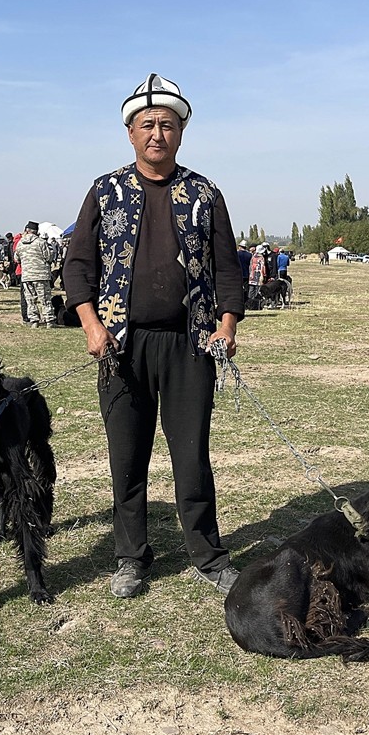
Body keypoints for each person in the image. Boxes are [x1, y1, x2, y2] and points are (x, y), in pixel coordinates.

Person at [63, 73, 243, 598]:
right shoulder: (106, 190)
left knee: (192, 457)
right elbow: (78, 266)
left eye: (167, 124)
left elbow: (228, 269)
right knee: (128, 458)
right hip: (122, 345)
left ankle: (208, 556)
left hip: (191, 345)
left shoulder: (205, 193)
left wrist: (226, 325)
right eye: (147, 125)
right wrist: (92, 324)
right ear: (130, 132)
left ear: (181, 131)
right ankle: (131, 558)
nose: (157, 134)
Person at [15, 221, 54, 325]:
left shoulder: (20, 243)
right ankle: (49, 320)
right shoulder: (41, 242)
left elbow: (17, 259)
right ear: (37, 231)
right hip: (41, 274)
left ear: (27, 230)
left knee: (30, 300)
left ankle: (34, 320)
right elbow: (49, 257)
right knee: (45, 299)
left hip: (27, 275)